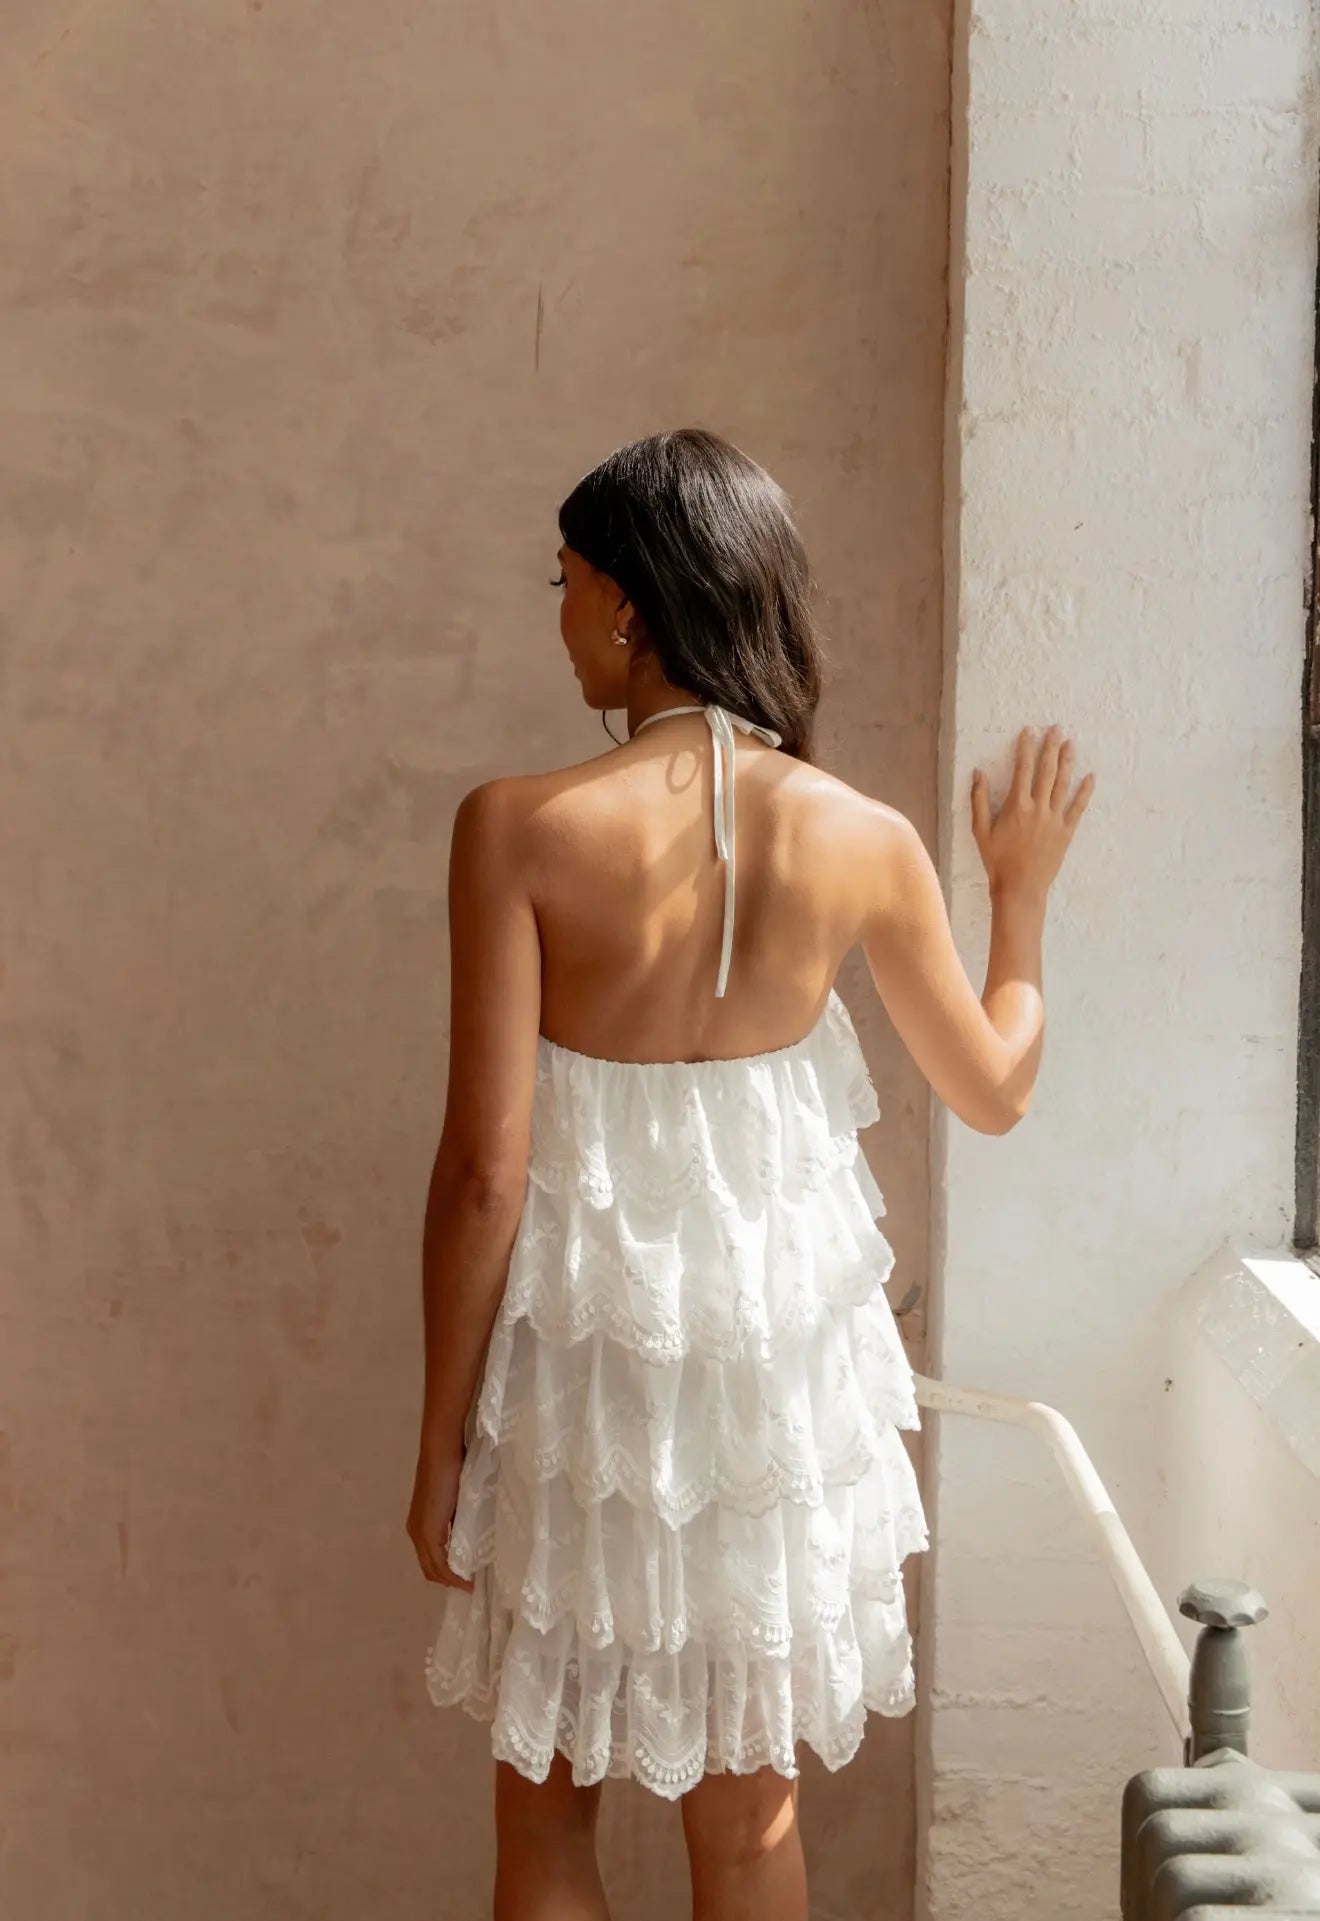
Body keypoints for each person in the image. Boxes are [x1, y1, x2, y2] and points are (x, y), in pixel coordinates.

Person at [406, 427, 1095, 1921]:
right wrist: (1021, 903)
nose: (563, 615)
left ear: (631, 604)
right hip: (770, 1398)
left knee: (547, 1823)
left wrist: (442, 1436)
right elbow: (995, 1085)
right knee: (749, 1823)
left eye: (568, 582)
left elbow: (483, 1174)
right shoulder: (865, 839)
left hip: (584, 1380)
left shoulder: (517, 827)